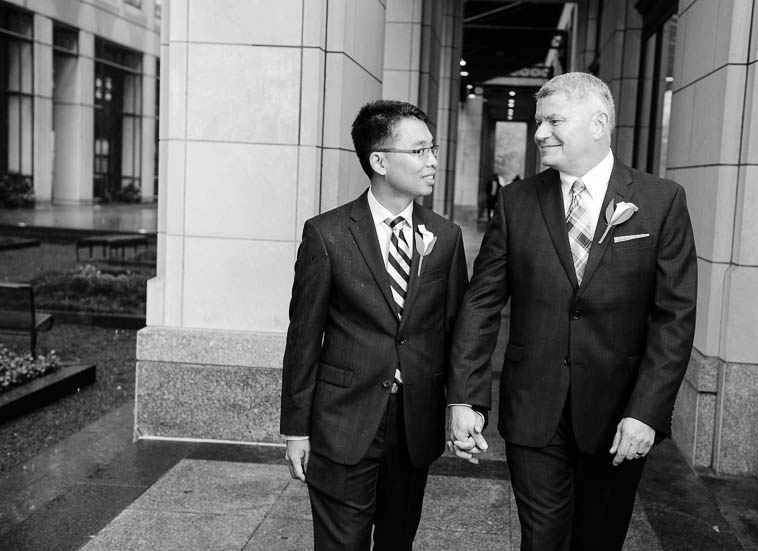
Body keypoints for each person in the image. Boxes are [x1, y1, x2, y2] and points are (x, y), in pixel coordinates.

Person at [447, 72, 697, 550]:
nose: (540, 132)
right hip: (532, 409)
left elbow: (675, 318)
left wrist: (646, 412)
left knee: (598, 540)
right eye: (539, 122)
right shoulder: (517, 200)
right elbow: (481, 302)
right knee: (542, 539)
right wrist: (465, 397)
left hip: (617, 414)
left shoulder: (661, 201)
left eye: (553, 120)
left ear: (599, 123)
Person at [280, 99, 468, 551]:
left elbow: (457, 331)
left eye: (432, 149)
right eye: (419, 151)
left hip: (413, 425)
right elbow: (304, 335)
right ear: (379, 161)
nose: (433, 162)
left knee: (397, 541)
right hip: (343, 420)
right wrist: (296, 430)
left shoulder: (445, 236)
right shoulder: (327, 234)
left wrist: (462, 404)